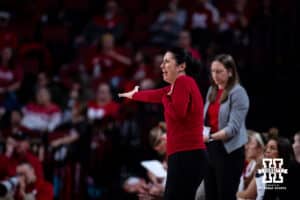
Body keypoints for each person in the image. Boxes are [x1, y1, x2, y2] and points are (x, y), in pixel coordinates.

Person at [119, 47, 207, 200]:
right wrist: (134, 95)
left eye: (166, 62)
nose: (161, 66)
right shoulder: (176, 86)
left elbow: (179, 113)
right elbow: (154, 95)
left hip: (188, 153)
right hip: (182, 153)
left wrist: (165, 99)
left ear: (181, 66)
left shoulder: (184, 82)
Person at [203, 54, 249, 200]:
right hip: (211, 149)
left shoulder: (238, 92)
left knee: (225, 195)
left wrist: (209, 137)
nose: (215, 75)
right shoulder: (212, 90)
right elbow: (206, 120)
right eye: (212, 71)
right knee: (210, 194)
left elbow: (232, 129)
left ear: (230, 72)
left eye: (219, 71)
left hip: (229, 152)